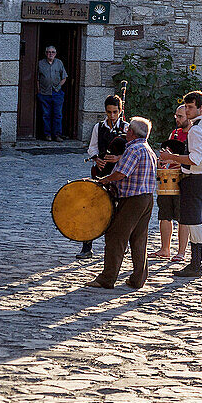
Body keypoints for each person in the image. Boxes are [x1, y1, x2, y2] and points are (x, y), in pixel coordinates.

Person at [87, 117, 158, 289]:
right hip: (146, 199)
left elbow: (121, 173)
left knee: (115, 237)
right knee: (139, 238)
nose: (126, 132)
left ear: (132, 132)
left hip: (132, 200)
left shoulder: (134, 149)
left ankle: (107, 278)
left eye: (128, 129)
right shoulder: (148, 149)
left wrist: (103, 181)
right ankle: (138, 279)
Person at [160, 90, 202, 278]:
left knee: (194, 220)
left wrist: (171, 157)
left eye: (190, 108)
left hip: (196, 178)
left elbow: (194, 159)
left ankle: (195, 264)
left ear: (201, 108)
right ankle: (200, 258)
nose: (187, 111)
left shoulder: (196, 129)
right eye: (185, 107)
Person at [78, 94, 127, 259]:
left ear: (120, 111)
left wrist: (119, 158)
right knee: (92, 207)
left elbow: (133, 151)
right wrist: (96, 158)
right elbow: (92, 148)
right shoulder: (98, 127)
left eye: (115, 112)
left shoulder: (127, 128)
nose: (112, 116)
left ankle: (119, 246)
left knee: (119, 211)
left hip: (119, 175)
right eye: (109, 112)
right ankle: (87, 246)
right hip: (101, 172)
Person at [152, 104, 190, 262]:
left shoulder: (194, 134)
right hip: (167, 178)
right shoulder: (174, 133)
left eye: (180, 116)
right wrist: (162, 162)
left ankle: (181, 251)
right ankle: (165, 249)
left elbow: (193, 159)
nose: (177, 119)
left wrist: (176, 161)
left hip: (184, 179)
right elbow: (165, 154)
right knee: (164, 214)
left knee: (183, 217)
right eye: (176, 116)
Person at [37, 45, 68, 141]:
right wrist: (39, 91)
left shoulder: (59, 63)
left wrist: (58, 87)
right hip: (44, 93)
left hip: (57, 93)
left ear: (55, 53)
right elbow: (37, 78)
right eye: (49, 52)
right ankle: (47, 135)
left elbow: (64, 77)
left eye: (52, 52)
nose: (50, 54)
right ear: (46, 53)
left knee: (57, 115)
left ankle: (57, 135)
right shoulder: (40, 63)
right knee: (46, 115)